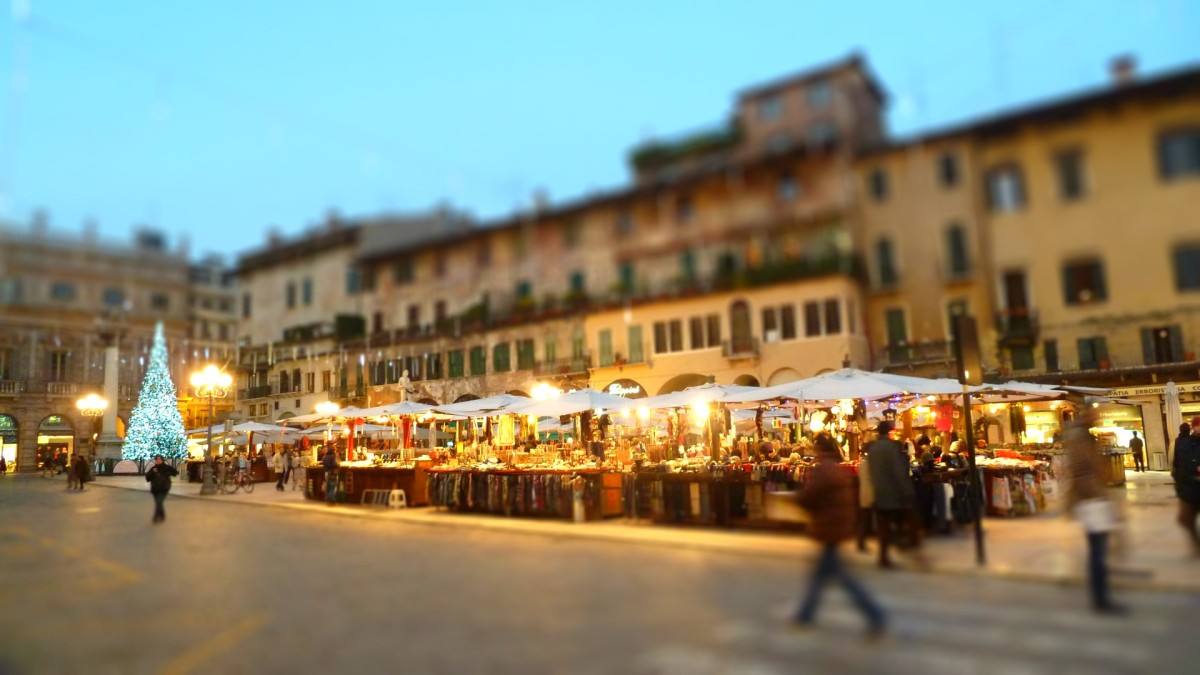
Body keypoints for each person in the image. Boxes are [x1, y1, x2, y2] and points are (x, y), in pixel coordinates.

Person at [793, 433, 886, 638]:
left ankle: (875, 615)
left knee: (842, 578)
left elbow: (811, 495)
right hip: (835, 525)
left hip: (830, 527)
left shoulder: (825, 469)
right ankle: (805, 614)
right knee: (823, 575)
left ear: (820, 449)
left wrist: (797, 498)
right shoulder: (834, 468)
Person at [1064, 408, 1127, 615]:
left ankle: (1101, 596)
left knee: (1098, 549)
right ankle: (1101, 599)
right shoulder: (1079, 440)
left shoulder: (1084, 438)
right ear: (1086, 418)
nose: (1097, 419)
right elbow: (1081, 471)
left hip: (1094, 498)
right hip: (1092, 500)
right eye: (1095, 416)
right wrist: (1099, 494)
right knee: (1098, 551)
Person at [867, 421, 916, 569]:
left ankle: (883, 556)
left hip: (879, 491)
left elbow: (871, 471)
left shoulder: (873, 448)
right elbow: (898, 471)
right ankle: (903, 544)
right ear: (889, 432)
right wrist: (906, 490)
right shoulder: (893, 447)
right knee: (900, 520)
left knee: (883, 526)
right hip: (893, 492)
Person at [1171, 422, 1200, 556]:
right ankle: (1196, 545)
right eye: (1197, 425)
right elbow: (1179, 462)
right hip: (1189, 486)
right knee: (1185, 518)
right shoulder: (1184, 442)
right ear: (1193, 427)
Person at [145, 455, 179, 524]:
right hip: (155, 488)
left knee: (159, 502)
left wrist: (168, 474)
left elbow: (175, 472)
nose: (158, 461)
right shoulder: (153, 468)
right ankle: (162, 515)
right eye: (156, 459)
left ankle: (156, 516)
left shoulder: (166, 467)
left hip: (164, 488)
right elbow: (147, 478)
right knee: (159, 502)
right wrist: (152, 472)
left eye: (159, 459)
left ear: (162, 460)